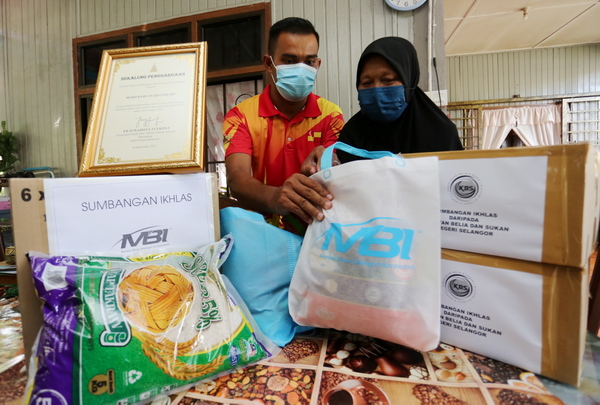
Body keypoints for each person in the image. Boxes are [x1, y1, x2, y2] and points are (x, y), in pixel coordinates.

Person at [223, 17, 344, 235]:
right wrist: (275, 197)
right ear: (269, 63)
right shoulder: (240, 116)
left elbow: (332, 176)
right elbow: (237, 177)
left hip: (317, 233)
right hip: (261, 234)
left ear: (318, 64)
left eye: (309, 62)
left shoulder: (332, 116)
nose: (300, 69)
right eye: (289, 61)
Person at [303, 36, 462, 171]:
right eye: (366, 82)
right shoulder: (352, 135)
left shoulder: (441, 134)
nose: (377, 89)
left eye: (387, 80)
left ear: (408, 81)